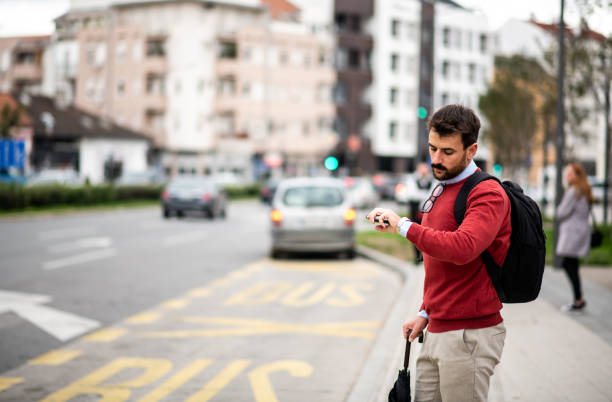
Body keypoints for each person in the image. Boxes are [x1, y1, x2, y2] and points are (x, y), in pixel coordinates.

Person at [367, 104, 511, 402]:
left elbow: (463, 248)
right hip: (436, 329)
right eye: (432, 148)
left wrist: (404, 226)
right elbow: (440, 266)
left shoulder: (487, 194)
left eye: (447, 151)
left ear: (471, 150)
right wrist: (425, 312)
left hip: (469, 335)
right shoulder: (442, 187)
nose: (436, 159)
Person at [556, 162, 594, 312]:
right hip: (581, 232)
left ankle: (578, 300)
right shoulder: (585, 190)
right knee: (572, 263)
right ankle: (579, 299)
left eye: (570, 173)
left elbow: (561, 213)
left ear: (577, 175)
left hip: (572, 233)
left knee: (567, 263)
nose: (567, 175)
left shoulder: (573, 191)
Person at [407, 162, 433, 263]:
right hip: (415, 210)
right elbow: (411, 194)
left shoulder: (432, 180)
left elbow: (433, 194)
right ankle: (417, 256)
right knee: (414, 232)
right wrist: (424, 196)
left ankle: (425, 256)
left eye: (425, 168)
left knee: (427, 233)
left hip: (428, 212)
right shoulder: (412, 180)